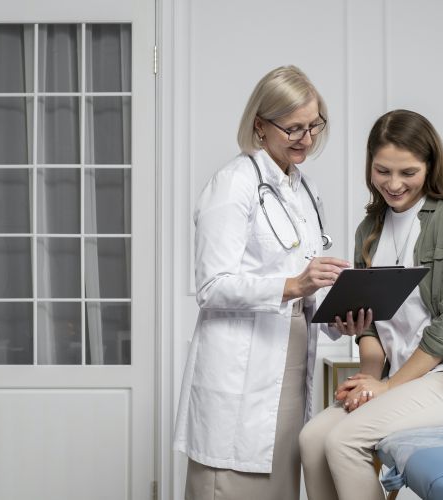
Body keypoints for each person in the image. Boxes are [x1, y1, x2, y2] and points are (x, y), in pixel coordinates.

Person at [299, 109, 443, 500]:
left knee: (344, 440)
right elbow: (371, 326)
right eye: (383, 171)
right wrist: (367, 380)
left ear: (429, 167)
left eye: (408, 172)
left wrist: (387, 386)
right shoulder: (370, 228)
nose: (393, 184)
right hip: (401, 381)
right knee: (312, 438)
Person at [173, 65, 352, 500]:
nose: (306, 139)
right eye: (293, 128)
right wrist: (292, 286)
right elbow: (212, 286)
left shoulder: (304, 190)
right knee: (232, 483)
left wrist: (339, 319)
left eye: (314, 126)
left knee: (278, 484)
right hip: (240, 372)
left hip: (289, 359)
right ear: (260, 125)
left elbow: (305, 281)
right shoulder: (232, 184)